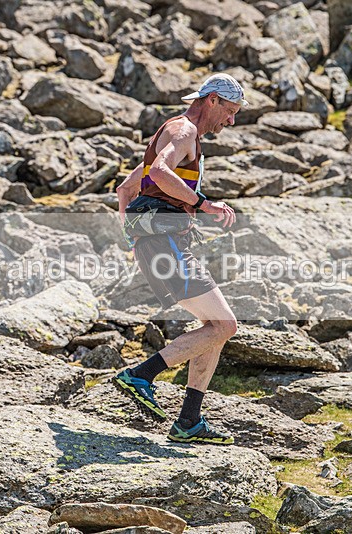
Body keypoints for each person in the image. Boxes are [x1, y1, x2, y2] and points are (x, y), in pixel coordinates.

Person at [113, 73, 248, 445]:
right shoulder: (183, 131)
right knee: (225, 325)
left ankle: (189, 421)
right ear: (212, 101)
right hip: (165, 242)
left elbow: (127, 189)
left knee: (215, 327)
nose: (231, 121)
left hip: (161, 243)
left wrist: (133, 237)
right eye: (230, 112)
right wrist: (203, 204)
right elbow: (158, 172)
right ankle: (141, 375)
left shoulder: (181, 134)